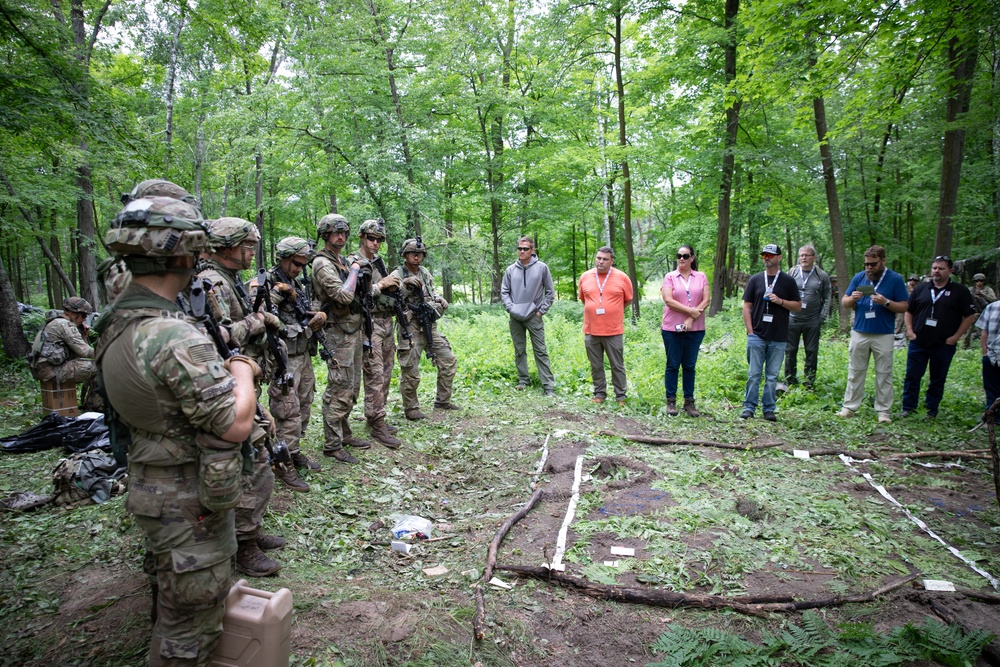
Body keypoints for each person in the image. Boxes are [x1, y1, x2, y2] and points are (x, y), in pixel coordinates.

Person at [95, 195, 257, 665]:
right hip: (188, 498)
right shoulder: (172, 334)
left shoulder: (117, 320)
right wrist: (242, 370)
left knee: (172, 602)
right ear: (186, 254)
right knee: (189, 630)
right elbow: (233, 424)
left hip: (152, 482)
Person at [199, 217, 286, 575]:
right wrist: (259, 320)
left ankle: (248, 531)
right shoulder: (213, 281)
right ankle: (243, 544)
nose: (252, 251)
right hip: (226, 382)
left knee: (257, 455)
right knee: (253, 460)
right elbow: (219, 335)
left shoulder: (229, 278)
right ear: (226, 246)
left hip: (239, 377)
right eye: (246, 245)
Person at [312, 214, 374, 462]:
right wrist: (357, 268)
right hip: (337, 333)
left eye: (344, 233)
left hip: (352, 330)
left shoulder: (341, 261)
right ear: (325, 235)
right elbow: (343, 296)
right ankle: (332, 444)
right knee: (339, 387)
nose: (341, 236)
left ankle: (344, 433)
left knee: (351, 386)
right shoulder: (322, 263)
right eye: (335, 232)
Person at [266, 236, 326, 485]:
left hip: (302, 353)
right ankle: (282, 462)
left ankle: (294, 451)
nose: (300, 269)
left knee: (303, 404)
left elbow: (302, 312)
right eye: (296, 264)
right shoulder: (268, 283)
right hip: (283, 356)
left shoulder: (295, 282)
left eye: (303, 264)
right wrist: (302, 329)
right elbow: (266, 320)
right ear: (284, 258)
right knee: (286, 410)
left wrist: (316, 317)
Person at [836, 245, 909, 423]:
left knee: (884, 373)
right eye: (867, 264)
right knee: (855, 371)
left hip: (883, 333)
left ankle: (883, 411)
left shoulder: (895, 279)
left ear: (883, 261)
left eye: (873, 264)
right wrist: (852, 298)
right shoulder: (859, 277)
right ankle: (849, 407)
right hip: (860, 331)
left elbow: (904, 306)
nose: (869, 267)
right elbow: (844, 301)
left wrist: (886, 302)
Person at [390, 238, 460, 419]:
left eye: (420, 254)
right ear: (405, 255)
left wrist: (438, 300)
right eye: (413, 253)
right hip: (410, 327)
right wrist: (405, 287)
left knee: (448, 358)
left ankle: (442, 401)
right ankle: (411, 408)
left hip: (429, 325)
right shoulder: (397, 274)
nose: (416, 257)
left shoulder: (425, 272)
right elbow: (391, 302)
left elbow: (431, 292)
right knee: (410, 369)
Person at [349, 219, 404, 447]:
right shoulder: (354, 262)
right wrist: (381, 285)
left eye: (379, 240)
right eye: (372, 238)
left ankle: (376, 416)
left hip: (386, 321)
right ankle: (377, 422)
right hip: (368, 323)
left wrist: (394, 287)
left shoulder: (378, 262)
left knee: (387, 372)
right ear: (362, 237)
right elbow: (353, 294)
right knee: (375, 372)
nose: (376, 243)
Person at [901, 256, 977, 418]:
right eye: (934, 268)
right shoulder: (921, 288)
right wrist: (910, 331)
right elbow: (909, 310)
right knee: (912, 375)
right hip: (919, 341)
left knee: (937, 378)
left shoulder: (960, 291)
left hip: (944, 343)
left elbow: (969, 316)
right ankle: (908, 407)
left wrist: (955, 337)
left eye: (941, 268)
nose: (936, 271)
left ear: (950, 271)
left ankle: (931, 409)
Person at [740, 244, 801, 421]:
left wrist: (780, 301)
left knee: (772, 376)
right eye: (764, 255)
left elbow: (797, 306)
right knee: (753, 374)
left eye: (771, 255)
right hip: (757, 335)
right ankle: (749, 408)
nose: (767, 258)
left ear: (779, 258)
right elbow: (746, 307)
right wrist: (750, 331)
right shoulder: (756, 280)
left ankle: (769, 409)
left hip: (779, 336)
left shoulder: (788, 281)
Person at [500, 237, 556, 396]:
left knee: (540, 350)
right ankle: (523, 380)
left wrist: (541, 311)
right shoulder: (510, 270)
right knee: (519, 350)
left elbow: (550, 292)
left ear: (532, 250)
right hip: (515, 317)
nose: (522, 251)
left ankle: (548, 385)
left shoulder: (542, 268)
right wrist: (511, 308)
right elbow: (504, 292)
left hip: (534, 315)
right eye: (519, 248)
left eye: (525, 249)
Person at [578, 246, 633, 405]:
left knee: (617, 365)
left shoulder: (622, 277)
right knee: (596, 365)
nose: (600, 262)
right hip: (591, 330)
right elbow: (584, 299)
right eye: (598, 258)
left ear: (612, 261)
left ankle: (621, 396)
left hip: (613, 330)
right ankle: (600, 393)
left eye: (605, 259)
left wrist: (612, 310)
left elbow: (628, 299)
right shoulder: (585, 276)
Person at [659, 244, 710, 417]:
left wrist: (690, 318)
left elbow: (706, 300)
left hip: (695, 329)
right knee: (672, 364)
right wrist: (690, 311)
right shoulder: (670, 277)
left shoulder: (701, 276)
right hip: (672, 328)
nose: (682, 258)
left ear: (692, 258)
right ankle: (671, 401)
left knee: (689, 365)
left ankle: (689, 402)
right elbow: (668, 300)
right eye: (679, 255)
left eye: (686, 255)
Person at [781, 245, 831, 391]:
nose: (803, 258)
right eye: (801, 255)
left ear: (814, 257)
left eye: (807, 255)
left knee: (811, 350)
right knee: (790, 350)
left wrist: (821, 318)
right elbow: (784, 293)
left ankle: (809, 381)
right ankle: (790, 379)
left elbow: (827, 297)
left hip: (812, 320)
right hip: (792, 319)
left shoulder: (822, 276)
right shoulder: (792, 273)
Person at [28, 297, 96, 386]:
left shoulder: (54, 321)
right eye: (83, 315)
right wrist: (107, 354)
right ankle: (96, 400)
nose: (84, 319)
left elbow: (79, 353)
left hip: (45, 370)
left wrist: (83, 335)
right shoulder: (64, 325)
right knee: (102, 367)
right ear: (72, 312)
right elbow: (85, 351)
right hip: (53, 371)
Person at [977, 299, 1000, 409]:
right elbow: (984, 331)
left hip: (992, 355)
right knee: (991, 390)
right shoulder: (992, 307)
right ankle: (992, 418)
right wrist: (985, 353)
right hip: (992, 356)